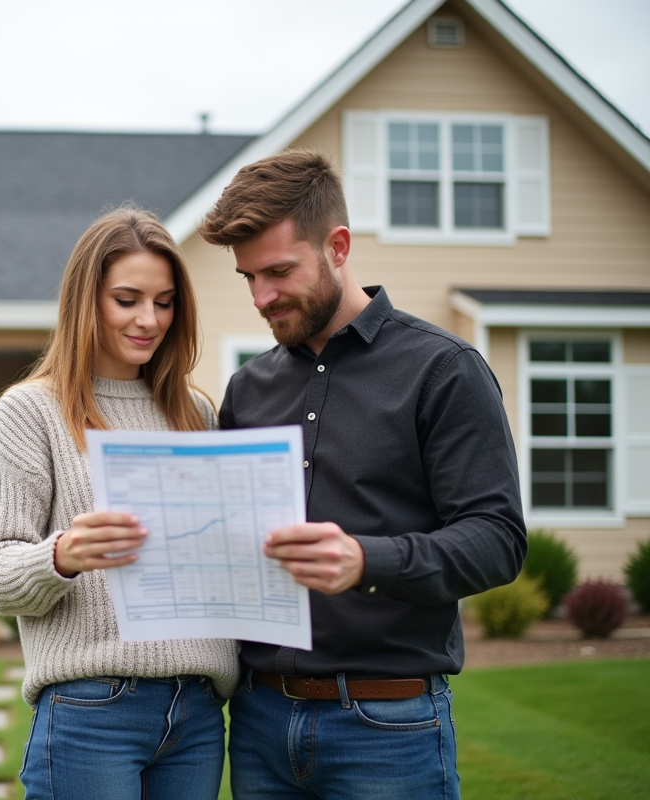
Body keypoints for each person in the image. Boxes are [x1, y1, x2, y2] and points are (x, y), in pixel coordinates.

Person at [195, 150, 527, 799]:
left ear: (338, 246)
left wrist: (365, 561)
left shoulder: (444, 369)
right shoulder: (249, 388)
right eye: (247, 278)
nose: (262, 297)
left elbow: (497, 540)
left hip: (388, 727)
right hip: (259, 723)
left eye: (279, 272)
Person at [0, 206, 239, 800]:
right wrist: (63, 554)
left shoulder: (196, 415)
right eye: (128, 299)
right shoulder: (29, 411)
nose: (150, 319)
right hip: (92, 711)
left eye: (165, 302)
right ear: (85, 301)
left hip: (197, 713)